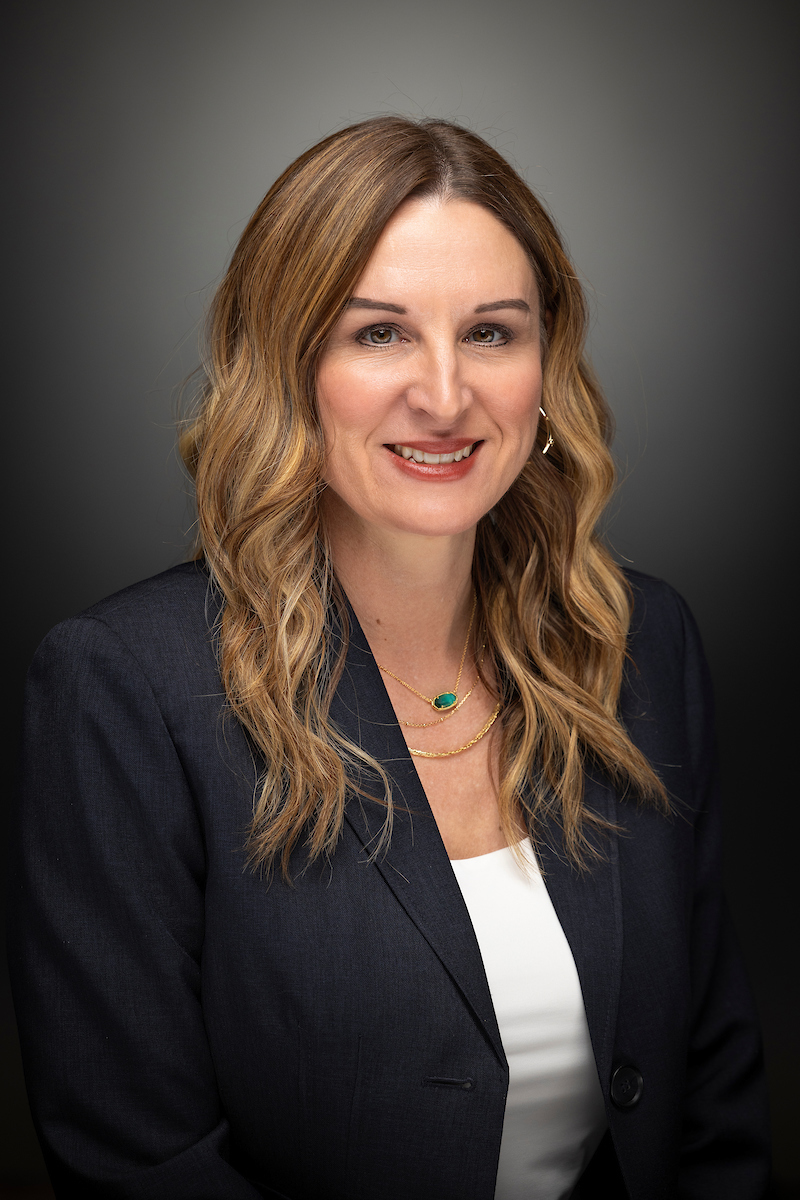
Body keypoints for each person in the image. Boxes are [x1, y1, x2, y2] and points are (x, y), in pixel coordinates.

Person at [9, 116, 769, 1199]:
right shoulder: (123, 687)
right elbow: (137, 1159)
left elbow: (713, 1092)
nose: (445, 394)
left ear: (546, 365)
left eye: (492, 334)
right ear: (286, 360)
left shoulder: (642, 643)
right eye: (378, 334)